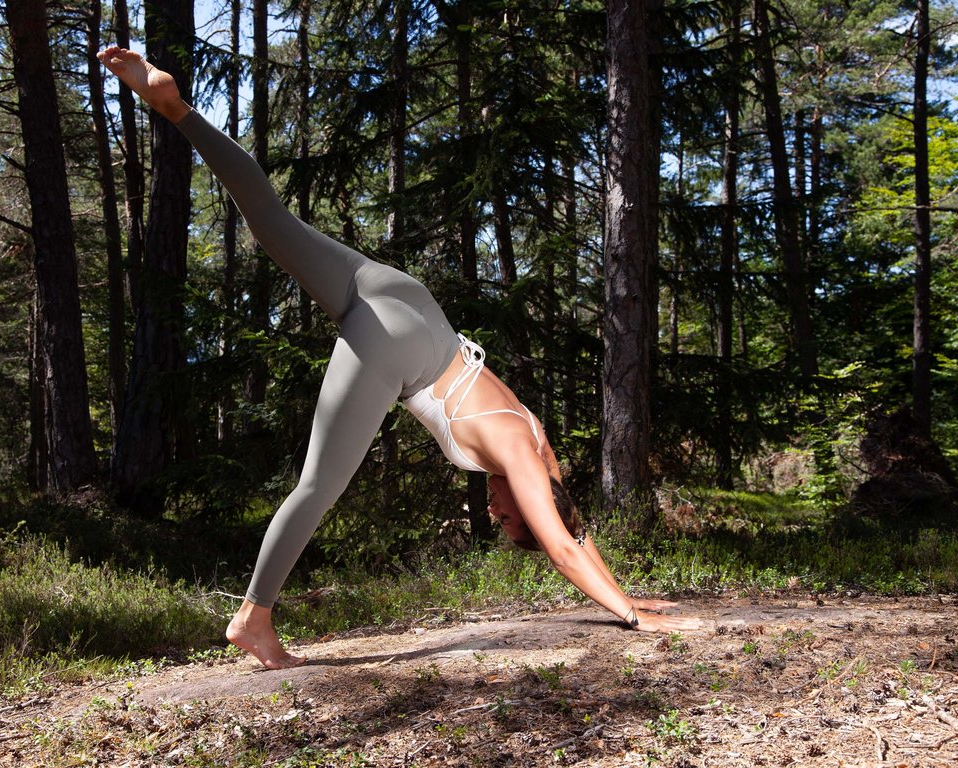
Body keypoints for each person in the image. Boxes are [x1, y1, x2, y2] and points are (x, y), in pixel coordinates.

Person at [97, 47, 705, 670]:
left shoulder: (541, 450)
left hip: (406, 298)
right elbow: (561, 545)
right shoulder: (522, 459)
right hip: (399, 344)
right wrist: (632, 621)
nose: (495, 513)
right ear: (527, 505)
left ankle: (178, 111)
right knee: (315, 486)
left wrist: (627, 598)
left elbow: (572, 527)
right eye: (507, 520)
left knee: (273, 220)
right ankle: (254, 618)